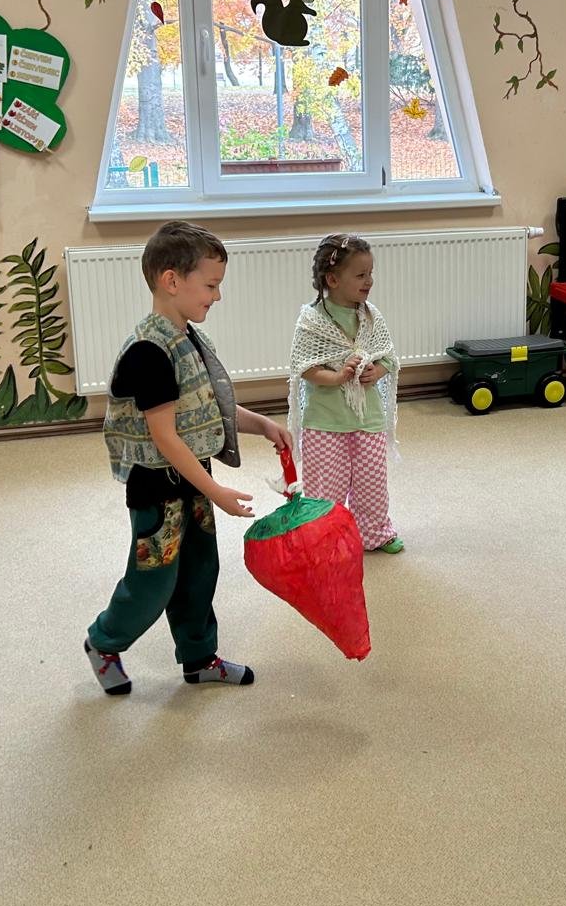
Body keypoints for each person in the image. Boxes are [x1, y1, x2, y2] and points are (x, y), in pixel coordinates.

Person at [83, 221, 291, 695]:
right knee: (154, 580)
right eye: (211, 285)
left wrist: (261, 424)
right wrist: (216, 491)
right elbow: (165, 437)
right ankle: (104, 641)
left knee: (200, 571)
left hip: (191, 479)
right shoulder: (149, 352)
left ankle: (199, 658)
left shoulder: (188, 338)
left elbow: (207, 405)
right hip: (157, 486)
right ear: (172, 281)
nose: (217, 296)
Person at [288, 233, 402, 553]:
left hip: (367, 418)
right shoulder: (312, 320)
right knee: (326, 487)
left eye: (371, 273)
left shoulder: (371, 316)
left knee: (372, 483)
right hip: (325, 422)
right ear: (333, 279)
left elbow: (388, 358)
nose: (369, 281)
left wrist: (375, 372)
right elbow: (304, 367)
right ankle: (326, 538)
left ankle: (374, 532)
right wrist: (338, 376)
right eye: (361, 275)